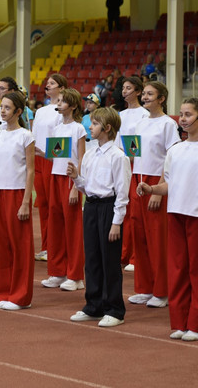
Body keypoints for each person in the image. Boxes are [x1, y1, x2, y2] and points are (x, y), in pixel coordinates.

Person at [137, 97, 198, 342]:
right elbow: (170, 184)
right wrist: (152, 189)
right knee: (178, 271)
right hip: (176, 216)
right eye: (181, 114)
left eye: (188, 114)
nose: (183, 119)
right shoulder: (175, 150)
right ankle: (180, 321)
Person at [67, 107, 132, 328]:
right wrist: (77, 179)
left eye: (94, 124)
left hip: (109, 208)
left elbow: (122, 194)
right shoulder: (90, 155)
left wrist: (116, 223)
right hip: (92, 207)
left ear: (107, 128)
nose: (89, 127)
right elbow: (88, 187)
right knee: (92, 258)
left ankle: (114, 309)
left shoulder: (119, 156)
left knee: (109, 261)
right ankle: (93, 305)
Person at [128, 82, 180, 309]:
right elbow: (133, 154)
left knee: (158, 239)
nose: (146, 97)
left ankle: (162, 290)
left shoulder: (168, 124)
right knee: (139, 237)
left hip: (156, 183)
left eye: (150, 94)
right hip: (137, 181)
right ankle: (144, 287)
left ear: (162, 98)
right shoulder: (139, 123)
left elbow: (172, 158)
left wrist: (160, 187)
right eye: (145, 94)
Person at [0, 91, 35, 311]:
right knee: (3, 245)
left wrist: (26, 201)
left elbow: (31, 170)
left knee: (20, 246)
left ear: (18, 111)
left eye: (7, 108)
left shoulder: (26, 136)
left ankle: (21, 295)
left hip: (18, 193)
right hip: (1, 192)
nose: (3, 111)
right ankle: (5, 292)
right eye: (2, 107)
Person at [42, 89, 87, 292]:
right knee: (56, 226)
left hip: (70, 180)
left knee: (73, 228)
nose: (58, 104)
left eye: (62, 101)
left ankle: (75, 275)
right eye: (57, 101)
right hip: (55, 177)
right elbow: (54, 156)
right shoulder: (57, 127)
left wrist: (76, 185)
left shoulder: (78, 129)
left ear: (73, 105)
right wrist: (42, 153)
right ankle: (57, 271)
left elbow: (82, 158)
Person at [115, 76, 149, 272]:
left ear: (138, 91)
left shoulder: (144, 115)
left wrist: (132, 158)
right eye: (123, 88)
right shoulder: (120, 114)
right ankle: (124, 253)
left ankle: (136, 256)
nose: (124, 91)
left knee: (137, 214)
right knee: (123, 210)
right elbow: (118, 142)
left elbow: (141, 143)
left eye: (129, 88)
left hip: (138, 167)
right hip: (122, 166)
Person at [31, 74, 65, 262]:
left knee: (54, 205)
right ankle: (46, 245)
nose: (47, 85)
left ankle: (57, 245)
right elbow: (34, 134)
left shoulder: (62, 110)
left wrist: (51, 155)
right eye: (47, 83)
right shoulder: (41, 110)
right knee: (43, 204)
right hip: (38, 158)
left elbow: (60, 137)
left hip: (52, 159)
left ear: (61, 88)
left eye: (52, 83)